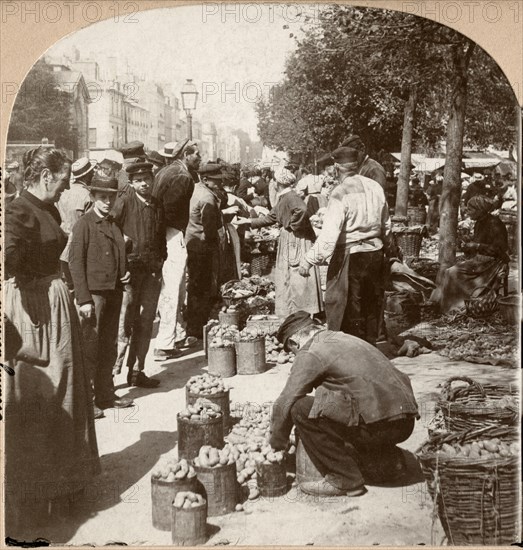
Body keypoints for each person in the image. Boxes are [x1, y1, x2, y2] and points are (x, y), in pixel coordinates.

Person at [4, 147, 100, 535]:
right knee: (39, 398)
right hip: (35, 313)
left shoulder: (47, 208)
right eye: (61, 183)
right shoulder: (18, 211)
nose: (64, 191)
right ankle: (30, 498)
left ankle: (64, 487)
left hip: (54, 304)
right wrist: (32, 284)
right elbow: (9, 256)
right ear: (45, 176)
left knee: (68, 393)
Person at [270, 311, 419, 497]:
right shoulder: (342, 337)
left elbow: (286, 401)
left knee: (300, 408)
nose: (293, 355)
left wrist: (276, 443)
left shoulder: (311, 351)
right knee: (337, 401)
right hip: (404, 423)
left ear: (294, 342)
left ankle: (346, 479)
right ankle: (389, 460)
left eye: (291, 351)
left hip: (381, 427)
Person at [299, 147, 390, 345]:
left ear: (337, 167)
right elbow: (386, 225)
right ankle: (371, 347)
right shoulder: (375, 187)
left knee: (347, 306)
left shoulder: (340, 192)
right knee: (371, 304)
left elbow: (330, 235)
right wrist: (389, 251)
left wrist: (309, 260)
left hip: (352, 256)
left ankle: (353, 352)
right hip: (375, 253)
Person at [69, 173, 134, 416]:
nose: (107, 201)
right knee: (90, 348)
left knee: (109, 345)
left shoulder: (113, 223)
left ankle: (106, 394)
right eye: (102, 197)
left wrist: (124, 273)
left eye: (111, 197)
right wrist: (84, 299)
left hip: (113, 291)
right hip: (93, 296)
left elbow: (119, 255)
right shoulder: (84, 224)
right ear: (93, 197)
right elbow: (75, 263)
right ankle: (89, 400)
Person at [240, 166, 323, 317]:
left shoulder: (290, 197)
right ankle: (296, 310)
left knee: (297, 274)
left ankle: (303, 310)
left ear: (277, 183)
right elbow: (271, 218)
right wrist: (248, 221)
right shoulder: (284, 197)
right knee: (291, 274)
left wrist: (291, 225)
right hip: (292, 238)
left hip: (296, 239)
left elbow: (302, 210)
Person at [111, 161, 166, 388]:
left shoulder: (156, 203)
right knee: (124, 324)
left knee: (145, 322)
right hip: (129, 274)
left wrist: (161, 258)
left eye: (147, 179)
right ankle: (110, 376)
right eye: (139, 180)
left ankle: (137, 371)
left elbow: (161, 234)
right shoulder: (123, 202)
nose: (144, 183)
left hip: (151, 271)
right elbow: (111, 231)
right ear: (132, 183)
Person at [151, 139, 200, 360]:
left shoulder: (166, 170)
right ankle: (164, 344)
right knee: (172, 288)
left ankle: (178, 333)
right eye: (196, 154)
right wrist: (166, 235)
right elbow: (167, 210)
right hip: (171, 233)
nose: (199, 158)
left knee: (176, 287)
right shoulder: (183, 176)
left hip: (165, 232)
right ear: (185, 154)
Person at [430, 195, 509, 314]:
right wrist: (466, 244)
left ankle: (455, 308)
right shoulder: (479, 223)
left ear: (480, 210)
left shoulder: (494, 223)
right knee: (444, 270)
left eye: (470, 209)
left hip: (493, 263)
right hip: (481, 260)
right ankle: (440, 305)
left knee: (452, 272)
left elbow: (500, 249)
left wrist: (476, 246)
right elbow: (480, 243)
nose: (467, 212)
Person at [185, 163, 225, 339]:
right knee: (202, 288)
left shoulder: (195, 190)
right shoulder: (207, 198)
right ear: (206, 179)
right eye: (216, 181)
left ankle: (193, 324)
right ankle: (197, 327)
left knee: (194, 286)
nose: (220, 184)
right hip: (202, 247)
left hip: (191, 244)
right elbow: (210, 230)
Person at [57, 157, 95, 288]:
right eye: (92, 172)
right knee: (81, 286)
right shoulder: (88, 196)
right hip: (79, 248)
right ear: (87, 175)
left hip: (61, 246)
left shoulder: (63, 192)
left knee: (68, 285)